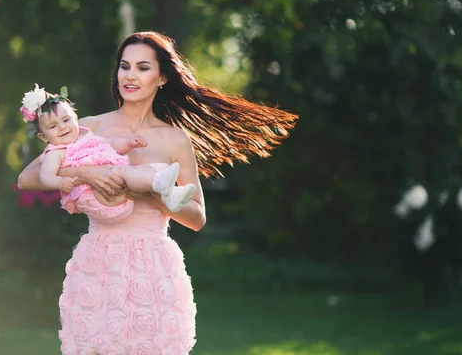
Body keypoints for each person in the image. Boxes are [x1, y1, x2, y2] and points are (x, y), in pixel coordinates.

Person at [17, 31, 297, 354]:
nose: (130, 76)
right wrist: (91, 174)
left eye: (142, 67)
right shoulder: (89, 127)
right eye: (125, 66)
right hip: (99, 265)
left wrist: (146, 195)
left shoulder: (175, 140)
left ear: (162, 77)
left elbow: (197, 217)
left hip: (153, 267)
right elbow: (29, 176)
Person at [19, 85, 197, 222]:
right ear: (43, 136)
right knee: (121, 171)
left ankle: (170, 194)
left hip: (119, 194)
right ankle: (159, 184)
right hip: (98, 198)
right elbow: (45, 175)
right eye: (53, 126)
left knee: (156, 168)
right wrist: (64, 181)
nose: (62, 127)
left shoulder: (85, 134)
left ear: (75, 117)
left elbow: (110, 145)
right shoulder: (55, 151)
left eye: (66, 120)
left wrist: (128, 144)